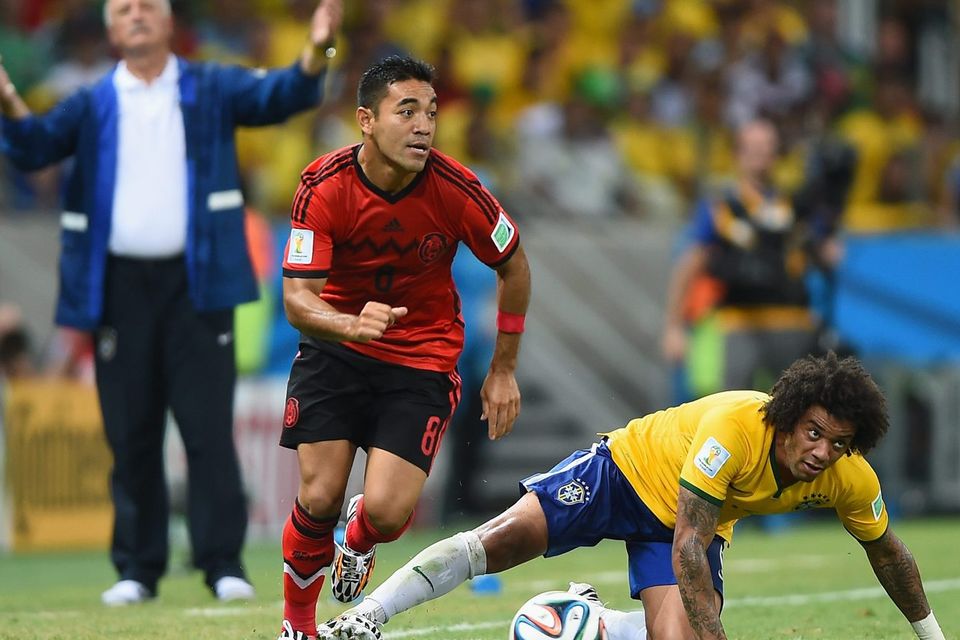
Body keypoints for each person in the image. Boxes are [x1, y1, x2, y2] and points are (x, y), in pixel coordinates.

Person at [0, 0, 344, 606]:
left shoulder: (208, 85)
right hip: (118, 293)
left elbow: (282, 96)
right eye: (123, 8)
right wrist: (8, 100)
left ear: (168, 21)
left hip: (198, 287)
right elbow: (32, 149)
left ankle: (222, 564)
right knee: (130, 432)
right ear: (110, 27)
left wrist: (317, 52)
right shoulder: (90, 102)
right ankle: (137, 567)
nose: (135, 13)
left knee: (207, 428)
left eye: (147, 5)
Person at [320, 352, 947, 640]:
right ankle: (365, 617)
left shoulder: (848, 477)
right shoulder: (736, 431)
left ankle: (591, 620)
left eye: (838, 442)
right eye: (813, 432)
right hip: (626, 469)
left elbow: (889, 554)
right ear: (787, 416)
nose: (821, 452)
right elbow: (690, 542)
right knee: (500, 543)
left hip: (683, 524)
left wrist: (932, 636)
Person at [276, 55, 531, 640]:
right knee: (318, 496)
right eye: (407, 111)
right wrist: (348, 326)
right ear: (366, 119)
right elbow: (297, 299)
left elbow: (514, 266)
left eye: (432, 113)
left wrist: (503, 370)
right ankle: (298, 625)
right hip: (335, 351)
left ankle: (360, 537)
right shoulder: (323, 185)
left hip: (421, 358)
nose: (424, 126)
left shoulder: (458, 189)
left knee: (390, 516)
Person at [661, 119, 824, 399]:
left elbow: (818, 253)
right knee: (733, 409)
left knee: (796, 411)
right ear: (738, 153)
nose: (761, 154)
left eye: (767, 147)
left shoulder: (794, 205)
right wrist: (674, 326)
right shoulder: (722, 207)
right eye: (753, 147)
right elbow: (691, 263)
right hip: (740, 322)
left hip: (791, 320)